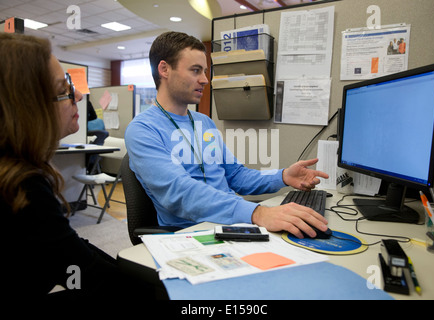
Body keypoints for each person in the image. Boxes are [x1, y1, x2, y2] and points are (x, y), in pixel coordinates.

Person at [0, 33, 161, 302]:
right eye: (63, 89)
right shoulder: (20, 188)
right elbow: (84, 271)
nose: (77, 94)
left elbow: (69, 252)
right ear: (28, 106)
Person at [125, 31, 329, 239]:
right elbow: (179, 193)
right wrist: (257, 213)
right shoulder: (142, 129)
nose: (205, 80)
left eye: (204, 71)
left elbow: (236, 176)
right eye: (196, 70)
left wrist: (283, 176)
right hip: (190, 234)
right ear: (164, 69)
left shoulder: (204, 123)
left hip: (232, 223)